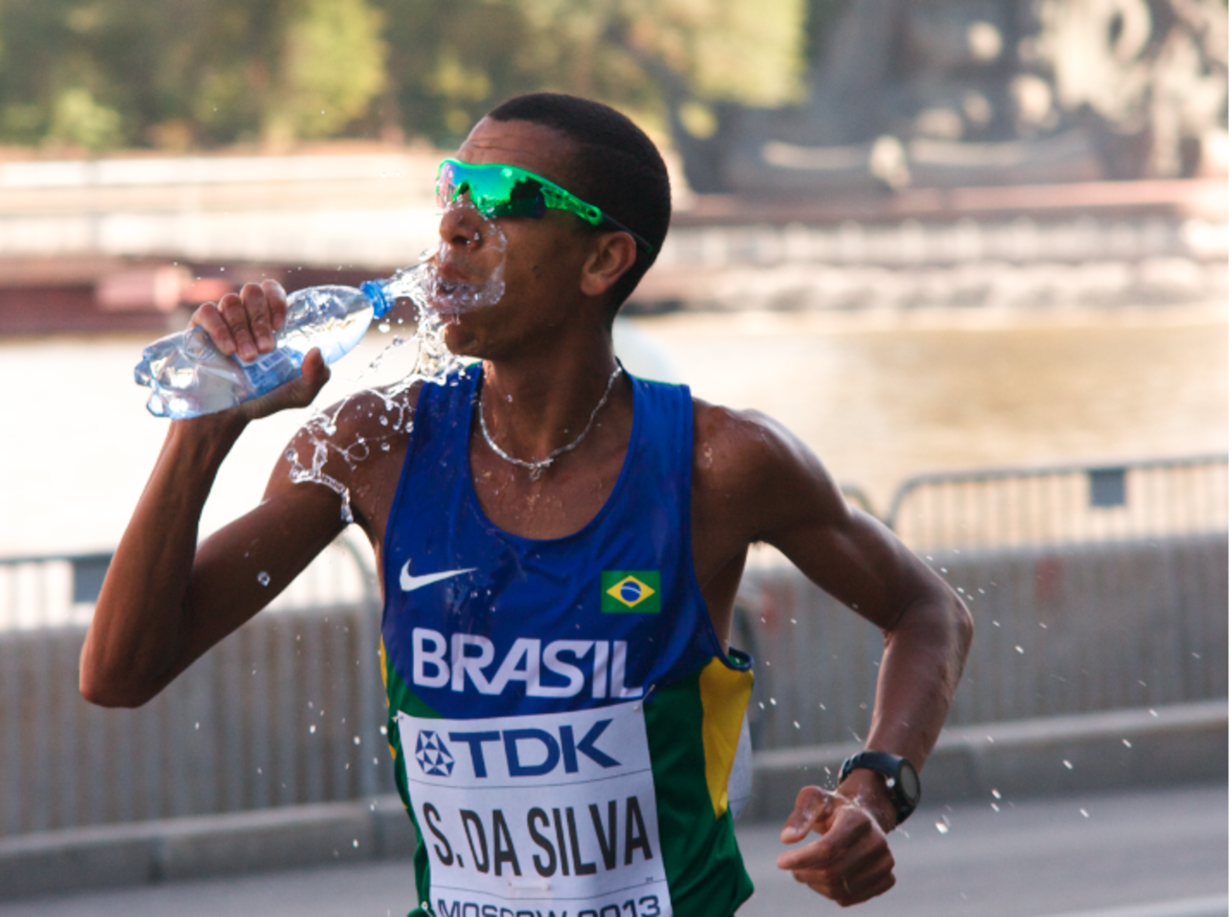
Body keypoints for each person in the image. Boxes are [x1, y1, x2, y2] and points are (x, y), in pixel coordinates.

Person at [81, 92, 973, 916]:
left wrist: (876, 784)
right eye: (452, 186)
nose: (457, 222)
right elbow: (120, 672)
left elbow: (928, 611)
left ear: (604, 260)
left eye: (504, 196)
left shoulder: (718, 462)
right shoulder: (372, 448)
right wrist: (202, 431)